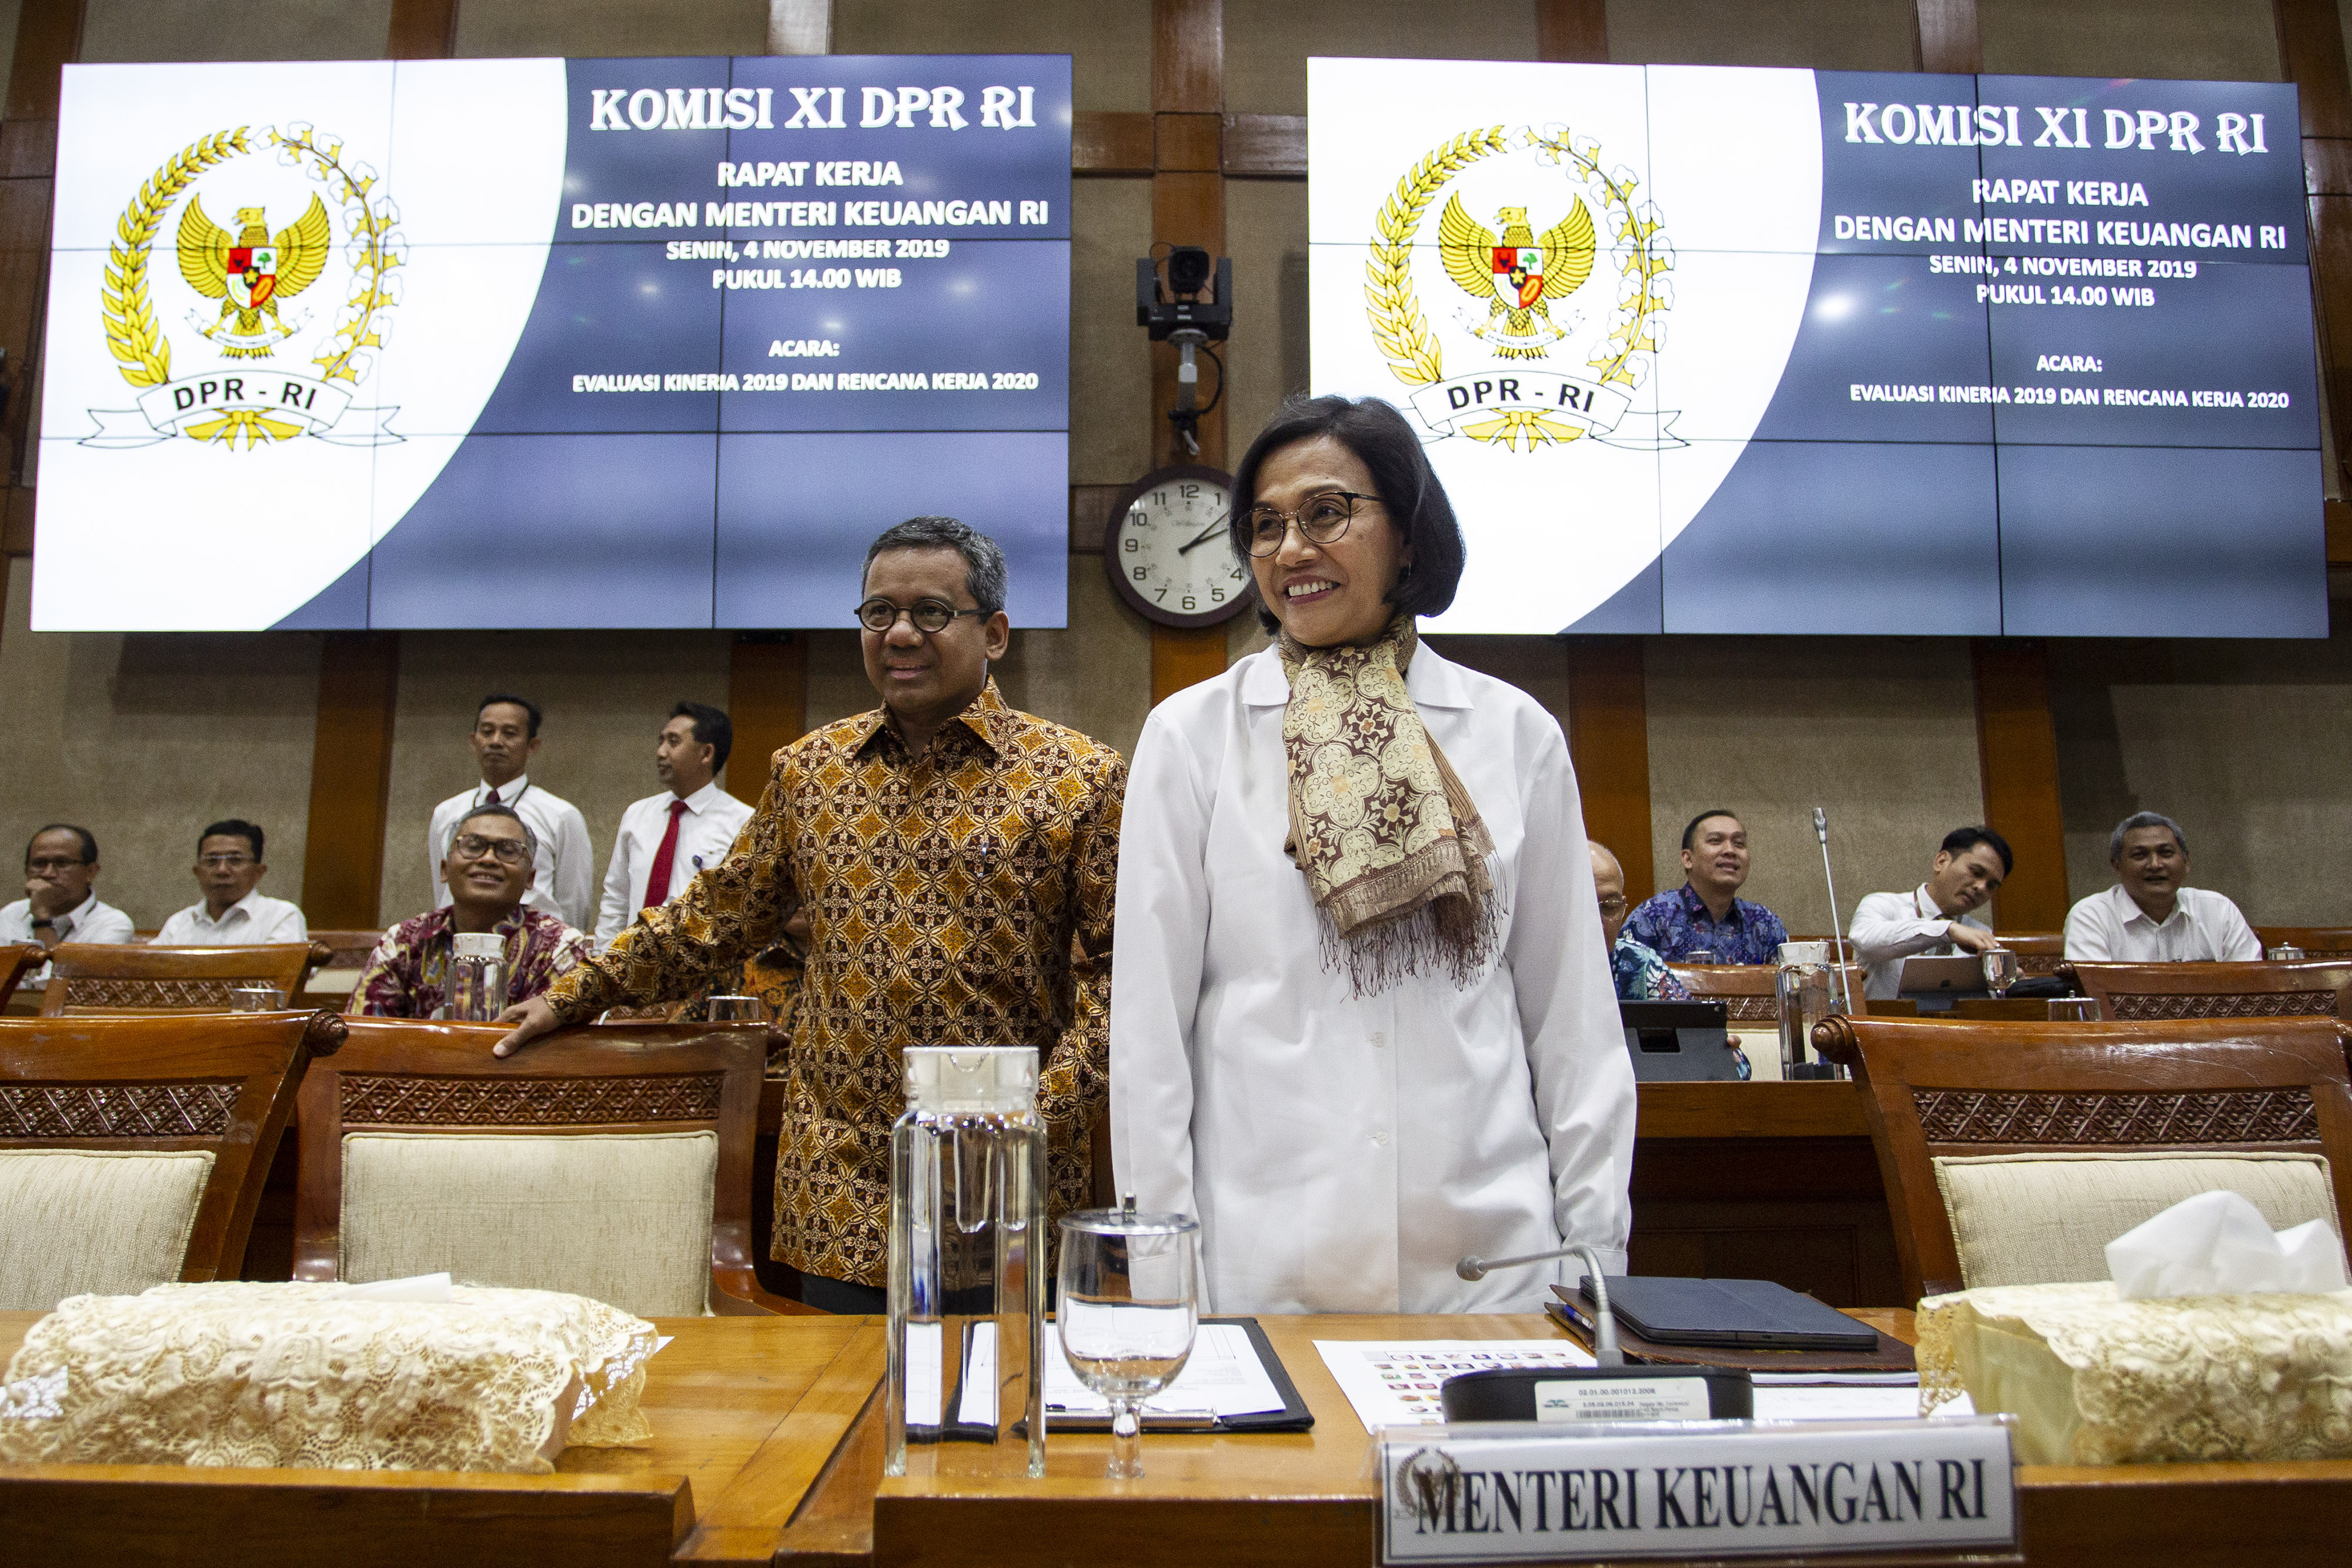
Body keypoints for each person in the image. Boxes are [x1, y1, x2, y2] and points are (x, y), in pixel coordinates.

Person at [496, 517, 1125, 1316]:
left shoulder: (1078, 777)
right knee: (842, 1426)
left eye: (931, 611)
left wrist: (1033, 1112)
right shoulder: (810, 772)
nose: (899, 632)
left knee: (989, 1420)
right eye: (877, 612)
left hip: (1001, 1174)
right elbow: (711, 919)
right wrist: (569, 995)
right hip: (843, 1188)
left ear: (994, 632)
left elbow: (1119, 979)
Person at [1110, 394, 1635, 1316]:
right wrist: (1163, 1278)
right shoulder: (1191, 735)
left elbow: (1573, 1026)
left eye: (1327, 513)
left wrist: (1593, 1264)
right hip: (1265, 1267)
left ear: (1408, 532)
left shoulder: (1515, 733)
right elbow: (1150, 1035)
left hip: (1492, 1269)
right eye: (1264, 526)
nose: (1290, 551)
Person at [354, 804, 591, 1018]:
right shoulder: (404, 942)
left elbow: (561, 1054)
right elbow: (363, 1037)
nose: (488, 859)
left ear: (530, 878)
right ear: (444, 870)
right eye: (473, 846)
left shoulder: (560, 948)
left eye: (508, 850)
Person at [427, 694, 594, 931]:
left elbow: (574, 905)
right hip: (461, 944)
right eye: (487, 732)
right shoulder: (446, 813)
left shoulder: (561, 815)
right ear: (473, 741)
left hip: (536, 951)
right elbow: (444, 890)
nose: (496, 741)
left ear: (532, 746)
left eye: (509, 734)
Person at [596, 702, 756, 949]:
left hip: (700, 969)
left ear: (706, 754)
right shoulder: (637, 815)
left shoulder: (742, 822)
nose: (661, 752)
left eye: (673, 742)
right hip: (631, 963)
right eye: (661, 741)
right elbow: (616, 898)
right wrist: (603, 956)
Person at [2064, 811, 2260, 962]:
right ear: (2117, 866)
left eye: (2166, 853)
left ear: (2186, 862)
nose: (2155, 865)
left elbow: (2252, 984)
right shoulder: (2092, 916)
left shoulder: (2218, 910)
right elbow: (2095, 996)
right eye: (2139, 855)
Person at [1848, 826, 2012, 999]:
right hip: (1880, 1024)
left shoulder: (1980, 933)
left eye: (1991, 886)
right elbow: (1864, 941)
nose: (1981, 887)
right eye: (1976, 872)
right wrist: (1947, 930)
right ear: (1941, 862)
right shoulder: (1883, 905)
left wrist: (2002, 985)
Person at [0, 826, 133, 985]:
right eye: (39, 863)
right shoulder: (10, 914)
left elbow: (69, 991)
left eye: (62, 863)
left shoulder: (113, 924)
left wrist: (42, 920)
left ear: (91, 872)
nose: (48, 873)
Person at [152, 820, 309, 945]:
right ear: (197, 872)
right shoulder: (179, 923)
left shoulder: (281, 916)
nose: (222, 870)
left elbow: (281, 977)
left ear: (259, 872)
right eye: (212, 860)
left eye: (235, 860)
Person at [1589, 842, 1689, 1002]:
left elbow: (1690, 1025)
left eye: (1610, 907)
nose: (1599, 925)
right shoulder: (1535, 967)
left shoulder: (1641, 964)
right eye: (1584, 908)